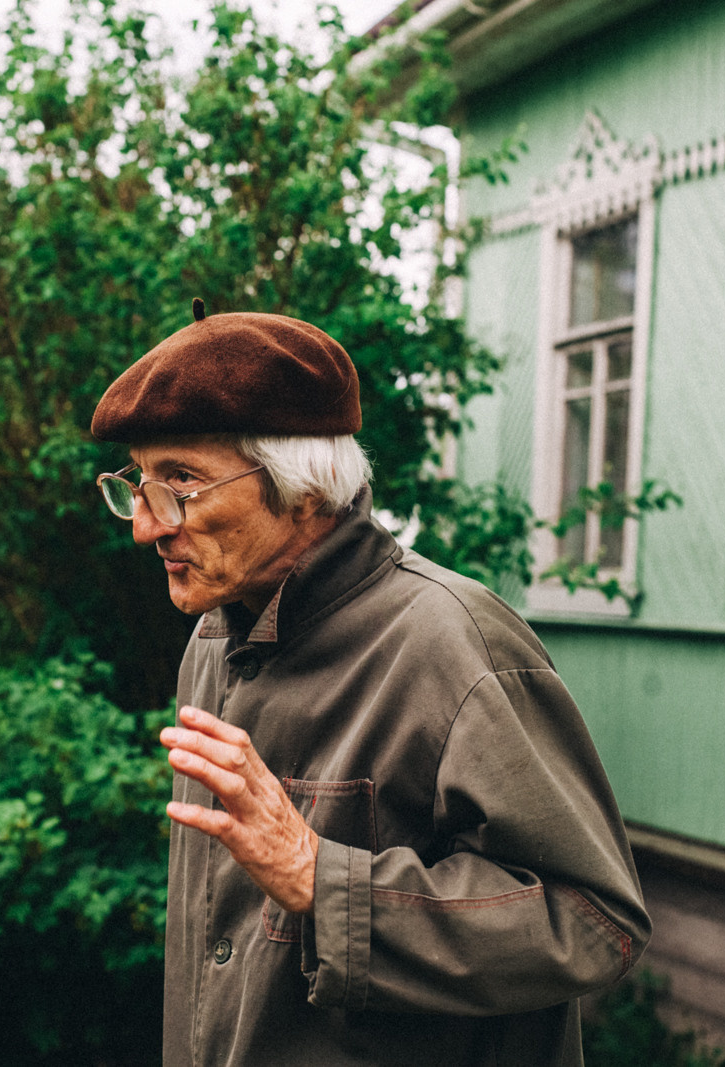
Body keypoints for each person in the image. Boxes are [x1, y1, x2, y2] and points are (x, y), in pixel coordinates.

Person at [90, 299, 650, 1067]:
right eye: (138, 482)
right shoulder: (213, 640)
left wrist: (324, 879)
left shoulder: (454, 643)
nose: (145, 524)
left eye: (179, 482)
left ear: (303, 488)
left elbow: (592, 920)